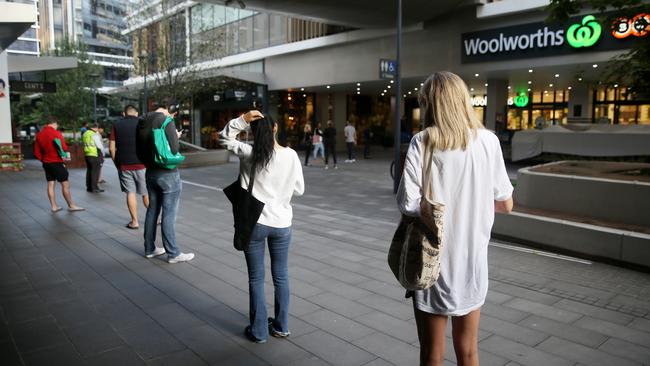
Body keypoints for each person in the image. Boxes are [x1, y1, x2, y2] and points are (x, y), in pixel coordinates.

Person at [396, 71, 513, 366]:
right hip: (473, 263)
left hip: (431, 261)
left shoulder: (422, 142)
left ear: (431, 104)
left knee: (432, 354)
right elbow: (506, 203)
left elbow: (407, 203)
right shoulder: (489, 141)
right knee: (469, 351)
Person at [220, 110, 304, 344]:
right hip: (282, 224)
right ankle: (281, 326)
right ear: (276, 128)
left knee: (256, 278)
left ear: (252, 132)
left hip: (255, 223)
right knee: (281, 276)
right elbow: (299, 189)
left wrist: (242, 120)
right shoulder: (291, 156)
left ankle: (258, 332)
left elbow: (223, 138)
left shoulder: (249, 153)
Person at [136, 99, 194, 263]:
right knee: (169, 213)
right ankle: (173, 253)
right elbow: (174, 149)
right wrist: (175, 136)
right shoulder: (166, 120)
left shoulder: (142, 120)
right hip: (167, 173)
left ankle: (150, 248)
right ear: (172, 110)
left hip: (150, 172)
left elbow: (138, 149)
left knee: (152, 210)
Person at [110, 105, 149, 230]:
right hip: (142, 164)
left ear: (123, 113)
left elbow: (111, 148)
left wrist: (117, 163)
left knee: (130, 193)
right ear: (136, 113)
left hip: (125, 164)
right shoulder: (142, 124)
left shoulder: (117, 125)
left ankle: (134, 221)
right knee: (146, 193)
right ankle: (156, 218)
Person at [33, 117, 84, 213]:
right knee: (65, 184)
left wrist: (43, 160)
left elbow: (36, 152)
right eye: (57, 125)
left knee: (50, 184)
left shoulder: (39, 135)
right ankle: (71, 205)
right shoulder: (56, 133)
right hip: (56, 162)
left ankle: (54, 206)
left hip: (46, 163)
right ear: (54, 123)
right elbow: (64, 148)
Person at [82, 123, 104, 193]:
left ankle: (89, 187)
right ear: (96, 127)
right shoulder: (94, 134)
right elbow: (99, 145)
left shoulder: (85, 133)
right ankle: (94, 188)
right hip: (94, 154)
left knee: (89, 171)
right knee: (95, 172)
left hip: (87, 154)